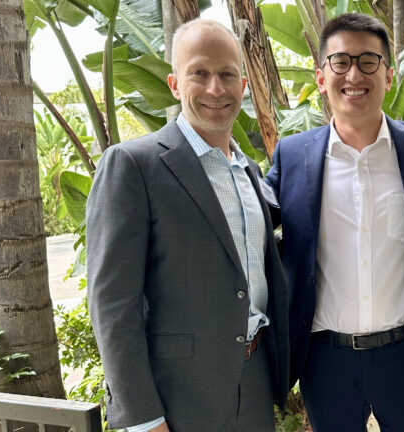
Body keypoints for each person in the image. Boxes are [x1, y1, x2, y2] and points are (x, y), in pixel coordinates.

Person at [86, 18, 288, 432]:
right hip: (177, 400)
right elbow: (112, 306)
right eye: (200, 73)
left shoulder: (250, 171)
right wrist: (143, 418)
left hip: (254, 385)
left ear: (244, 86)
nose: (216, 88)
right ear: (175, 83)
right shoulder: (132, 165)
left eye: (227, 75)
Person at [264, 13, 404, 432]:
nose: (354, 74)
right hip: (325, 358)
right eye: (341, 61)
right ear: (320, 76)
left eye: (369, 61)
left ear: (389, 75)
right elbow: (250, 220)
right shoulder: (292, 156)